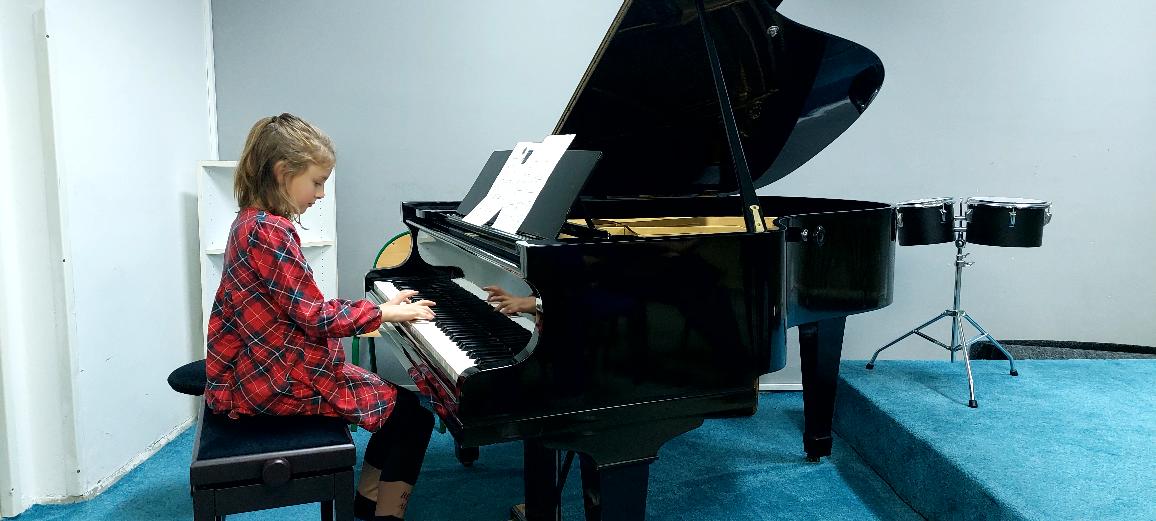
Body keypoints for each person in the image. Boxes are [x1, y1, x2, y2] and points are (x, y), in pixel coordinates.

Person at [204, 113, 435, 521]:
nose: (321, 193)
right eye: (316, 182)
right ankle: (383, 514)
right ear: (282, 173)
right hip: (274, 380)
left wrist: (379, 311)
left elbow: (299, 307)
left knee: (405, 412)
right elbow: (314, 316)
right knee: (413, 416)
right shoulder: (270, 232)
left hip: (263, 364)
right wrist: (383, 312)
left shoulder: (249, 221)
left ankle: (366, 502)